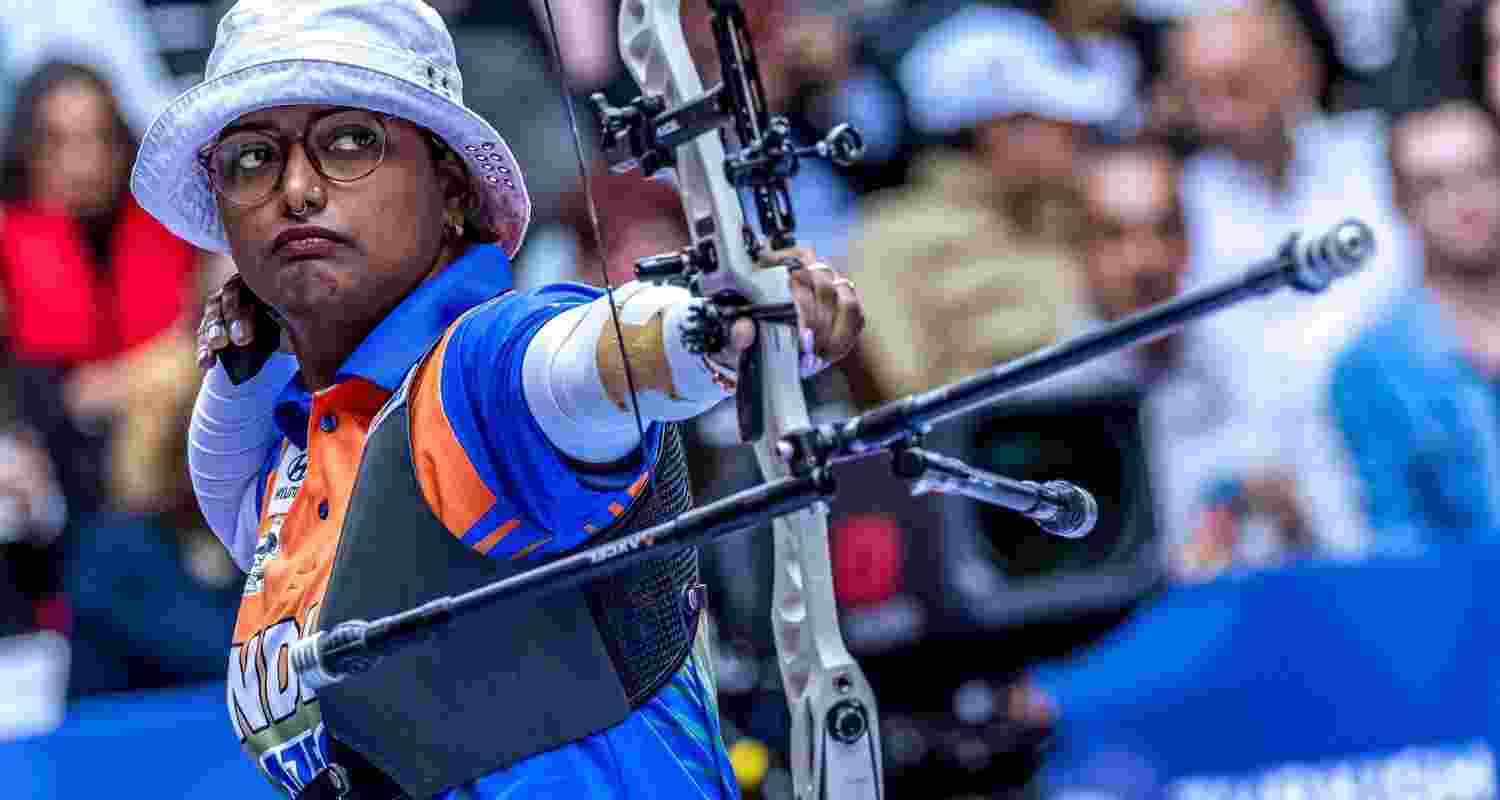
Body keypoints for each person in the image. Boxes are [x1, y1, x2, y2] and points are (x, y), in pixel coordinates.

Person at [139, 1, 863, 797]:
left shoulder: (476, 376)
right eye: (251, 160)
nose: (298, 189)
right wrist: (248, 355)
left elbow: (582, 360)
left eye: (350, 142)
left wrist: (718, 326)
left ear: (451, 191)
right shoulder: (292, 460)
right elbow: (219, 479)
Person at [848, 3, 1137, 403]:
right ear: (996, 131)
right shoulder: (889, 238)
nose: (1076, 132)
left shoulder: (1074, 212)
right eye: (1052, 117)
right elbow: (902, 398)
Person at [1331, 102, 1500, 555]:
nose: (1465, 201)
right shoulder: (1370, 367)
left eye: (1481, 173)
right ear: (1401, 203)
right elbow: (1398, 544)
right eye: (1435, 186)